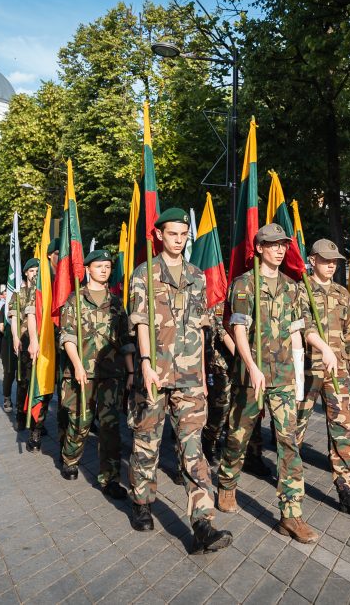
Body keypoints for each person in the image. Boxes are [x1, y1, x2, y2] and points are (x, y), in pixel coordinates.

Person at [128, 207, 232, 554]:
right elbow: (141, 320)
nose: (178, 240)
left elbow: (201, 327)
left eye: (183, 235)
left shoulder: (196, 276)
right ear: (159, 235)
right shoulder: (144, 274)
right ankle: (142, 501)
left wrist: (202, 376)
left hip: (189, 376)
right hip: (155, 372)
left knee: (193, 448)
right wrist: (145, 362)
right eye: (172, 234)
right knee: (147, 442)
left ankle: (203, 523)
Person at [217, 223, 318, 543]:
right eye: (272, 244)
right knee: (239, 434)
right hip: (252, 378)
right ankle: (227, 482)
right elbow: (239, 331)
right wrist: (251, 366)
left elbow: (301, 330)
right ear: (259, 248)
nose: (279, 249)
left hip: (285, 376)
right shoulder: (244, 284)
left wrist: (323, 351)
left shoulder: (292, 287)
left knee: (289, 441)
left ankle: (291, 514)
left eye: (283, 245)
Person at [295, 239, 350, 515]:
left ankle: (347, 488)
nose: (331, 265)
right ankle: (289, 479)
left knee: (343, 425)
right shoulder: (299, 289)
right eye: (325, 260)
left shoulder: (341, 293)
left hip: (337, 370)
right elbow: (303, 326)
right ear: (312, 260)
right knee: (295, 426)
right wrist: (321, 348)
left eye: (334, 261)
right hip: (306, 368)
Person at [59, 250, 134, 499]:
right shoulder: (76, 300)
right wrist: (78, 366)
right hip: (83, 372)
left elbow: (125, 340)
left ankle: (109, 478)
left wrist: (131, 370)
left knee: (110, 426)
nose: (104, 270)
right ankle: (70, 458)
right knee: (80, 421)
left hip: (112, 373)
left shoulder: (116, 303)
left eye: (108, 266)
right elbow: (67, 336)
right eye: (99, 266)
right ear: (88, 269)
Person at [202, 304, 236, 466]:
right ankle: (209, 442)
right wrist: (246, 359)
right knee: (221, 408)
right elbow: (223, 332)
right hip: (222, 365)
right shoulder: (219, 304)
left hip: (243, 365)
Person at [13, 259, 40, 430]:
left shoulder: (44, 292)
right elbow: (15, 316)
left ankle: (37, 417)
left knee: (40, 381)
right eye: (31, 271)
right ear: (25, 273)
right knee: (24, 380)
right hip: (25, 340)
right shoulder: (19, 294)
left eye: (37, 271)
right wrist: (15, 337)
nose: (34, 274)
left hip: (43, 341)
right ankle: (21, 414)